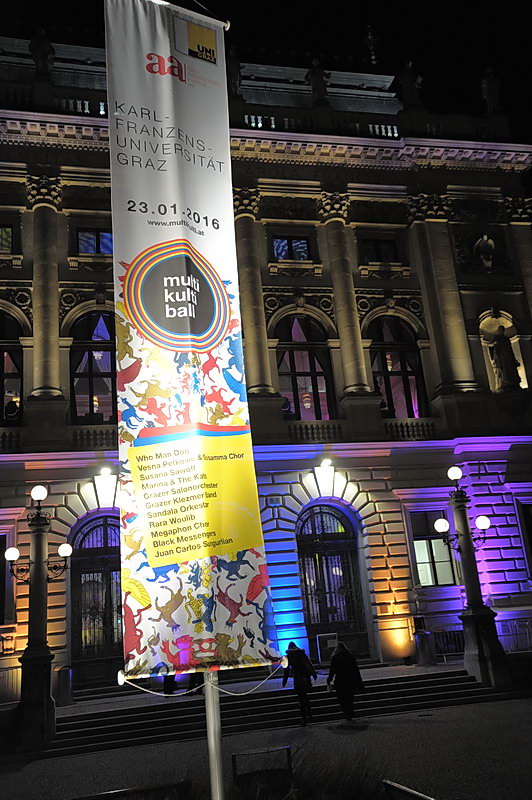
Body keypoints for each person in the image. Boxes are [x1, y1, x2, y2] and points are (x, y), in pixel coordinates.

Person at [282, 641, 317, 726]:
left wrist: (284, 681)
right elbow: (309, 664)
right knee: (305, 696)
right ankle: (310, 713)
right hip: (305, 679)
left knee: (301, 699)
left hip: (298, 679)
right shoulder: (302, 654)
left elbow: (286, 671)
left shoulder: (288, 657)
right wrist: (314, 674)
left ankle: (304, 719)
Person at [327, 642, 363, 721]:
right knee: (350, 697)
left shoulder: (335, 657)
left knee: (342, 698)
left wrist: (329, 679)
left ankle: (346, 713)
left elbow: (332, 670)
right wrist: (359, 681)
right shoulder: (351, 656)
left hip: (340, 681)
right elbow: (356, 669)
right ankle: (350, 711)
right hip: (350, 679)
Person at [487, 326, 521, 392]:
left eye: (502, 329)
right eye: (500, 329)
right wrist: (495, 343)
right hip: (500, 357)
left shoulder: (506, 339)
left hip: (508, 357)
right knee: (502, 370)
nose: (501, 331)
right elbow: (490, 345)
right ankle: (503, 383)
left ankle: (511, 383)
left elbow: (510, 349)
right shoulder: (496, 338)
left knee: (510, 369)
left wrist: (514, 359)